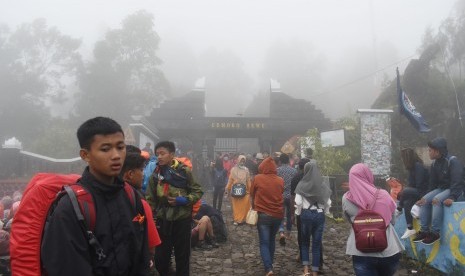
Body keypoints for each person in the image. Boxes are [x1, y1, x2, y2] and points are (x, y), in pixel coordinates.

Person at [41, 116, 151, 275]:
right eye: (105, 149)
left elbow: (141, 254)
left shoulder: (131, 196)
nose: (116, 155)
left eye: (120, 147)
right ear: (85, 155)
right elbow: (66, 267)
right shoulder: (72, 208)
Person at [146, 141, 203, 276]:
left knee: (182, 258)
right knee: (161, 260)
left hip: (182, 219)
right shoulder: (156, 174)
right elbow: (150, 198)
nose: (159, 157)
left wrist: (184, 200)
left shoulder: (184, 171)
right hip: (162, 219)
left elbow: (198, 191)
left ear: (172, 155)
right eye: (157, 154)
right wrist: (151, 217)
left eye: (162, 153)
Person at [343, 163, 404, 276]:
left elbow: (350, 221)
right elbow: (393, 221)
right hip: (388, 251)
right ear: (369, 176)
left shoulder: (347, 198)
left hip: (361, 251)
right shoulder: (384, 195)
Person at [413, 137, 464, 244]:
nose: (428, 152)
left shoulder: (452, 161)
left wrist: (452, 197)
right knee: (425, 200)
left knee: (436, 200)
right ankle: (424, 231)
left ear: (437, 151)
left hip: (454, 189)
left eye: (430, 150)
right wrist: (424, 197)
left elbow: (457, 181)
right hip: (442, 189)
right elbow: (432, 185)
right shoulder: (435, 164)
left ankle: (435, 233)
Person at [121, 152, 162, 267]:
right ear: (130, 174)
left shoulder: (106, 196)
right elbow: (151, 242)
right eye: (142, 170)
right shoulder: (139, 203)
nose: (144, 174)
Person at [295, 160, 331, 276]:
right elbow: (328, 202)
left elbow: (298, 202)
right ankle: (315, 271)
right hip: (319, 215)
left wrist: (299, 212)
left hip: (306, 214)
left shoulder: (301, 184)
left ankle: (306, 270)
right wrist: (324, 211)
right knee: (316, 244)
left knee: (305, 243)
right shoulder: (323, 185)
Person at [250, 157, 284, 276]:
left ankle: (268, 268)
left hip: (263, 215)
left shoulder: (257, 178)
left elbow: (251, 193)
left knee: (264, 242)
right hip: (277, 215)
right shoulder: (280, 180)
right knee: (271, 240)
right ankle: (270, 263)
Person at [397, 148, 429, 239]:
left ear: (407, 158)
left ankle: (398, 209)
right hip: (416, 192)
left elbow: (419, 185)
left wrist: (407, 192)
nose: (402, 161)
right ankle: (410, 228)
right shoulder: (411, 169)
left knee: (406, 191)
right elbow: (411, 185)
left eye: (403, 159)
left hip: (424, 192)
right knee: (407, 202)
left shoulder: (418, 166)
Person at [225, 155, 252, 225]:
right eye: (241, 160)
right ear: (238, 160)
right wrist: (227, 188)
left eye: (243, 160)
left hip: (244, 191)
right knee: (236, 206)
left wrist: (250, 189)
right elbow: (230, 180)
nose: (242, 162)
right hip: (235, 190)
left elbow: (248, 180)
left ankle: (244, 219)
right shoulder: (233, 169)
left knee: (244, 206)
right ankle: (237, 219)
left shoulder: (246, 170)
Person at [277, 153, 297, 245]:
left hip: (280, 196)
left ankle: (281, 232)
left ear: (280, 161)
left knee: (280, 215)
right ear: (288, 161)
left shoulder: (277, 171)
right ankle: (288, 234)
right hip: (291, 197)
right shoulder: (294, 171)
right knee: (289, 215)